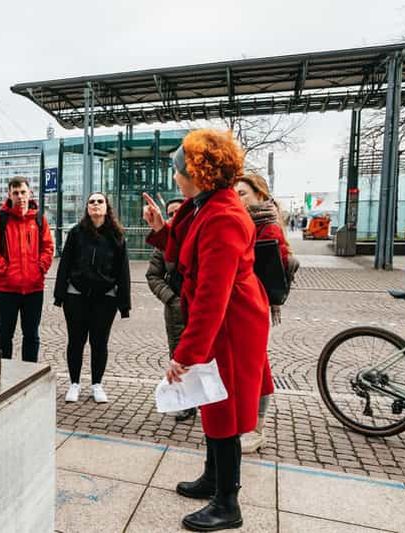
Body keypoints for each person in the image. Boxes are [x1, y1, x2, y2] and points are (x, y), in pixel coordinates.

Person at [144, 130, 270, 531]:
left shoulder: (223, 216)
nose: (175, 175)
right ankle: (213, 479)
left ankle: (227, 503)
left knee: (224, 409)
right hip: (224, 319)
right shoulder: (205, 205)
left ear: (197, 172)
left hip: (231, 324)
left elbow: (213, 295)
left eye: (178, 169)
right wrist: (161, 228)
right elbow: (186, 247)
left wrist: (185, 354)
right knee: (211, 401)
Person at [235, 172, 297, 454]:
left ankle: (256, 428)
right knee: (254, 366)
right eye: (235, 194)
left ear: (259, 195)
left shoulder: (265, 227)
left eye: (243, 194)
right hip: (249, 304)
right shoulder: (253, 222)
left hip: (253, 306)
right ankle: (248, 424)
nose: (237, 199)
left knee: (257, 368)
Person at [54, 192, 131, 403]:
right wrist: (60, 294)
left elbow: (123, 270)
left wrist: (124, 303)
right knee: (75, 341)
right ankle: (74, 384)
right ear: (87, 208)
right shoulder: (76, 233)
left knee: (99, 342)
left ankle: (97, 384)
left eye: (100, 201)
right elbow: (65, 264)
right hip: (76, 296)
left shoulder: (116, 236)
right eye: (92, 202)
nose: (96, 204)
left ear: (107, 207)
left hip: (105, 298)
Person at [0, 176, 54, 362]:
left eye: (23, 192)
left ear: (30, 193)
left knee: (31, 335)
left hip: (34, 289)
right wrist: (4, 270)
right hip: (6, 289)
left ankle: (29, 372)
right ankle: (3, 372)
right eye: (16, 193)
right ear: (9, 194)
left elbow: (48, 247)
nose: (20, 196)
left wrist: (40, 268)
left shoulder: (39, 219)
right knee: (5, 335)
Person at [145, 197, 195, 421]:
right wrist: (171, 298)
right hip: (176, 309)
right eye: (171, 213)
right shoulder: (163, 243)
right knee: (179, 355)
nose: (175, 217)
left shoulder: (198, 237)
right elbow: (153, 275)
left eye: (179, 212)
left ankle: (209, 400)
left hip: (199, 306)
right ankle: (187, 403)